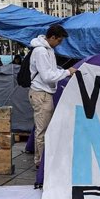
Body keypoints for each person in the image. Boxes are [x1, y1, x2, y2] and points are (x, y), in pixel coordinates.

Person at [28, 24, 77, 169]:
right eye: (59, 41)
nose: (59, 44)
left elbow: (50, 71)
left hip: (43, 93)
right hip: (41, 94)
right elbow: (48, 76)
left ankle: (42, 160)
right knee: (42, 130)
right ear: (53, 37)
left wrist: (61, 72)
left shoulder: (47, 50)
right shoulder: (42, 52)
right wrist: (67, 72)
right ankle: (40, 163)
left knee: (44, 128)